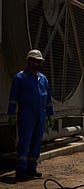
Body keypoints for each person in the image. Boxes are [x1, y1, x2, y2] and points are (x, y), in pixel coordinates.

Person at [7, 49, 55, 181]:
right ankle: (21, 170)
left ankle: (31, 169)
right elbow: (13, 97)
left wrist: (51, 114)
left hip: (40, 114)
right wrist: (11, 113)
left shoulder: (43, 79)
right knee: (25, 142)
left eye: (40, 61)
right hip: (26, 114)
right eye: (37, 61)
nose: (39, 64)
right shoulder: (20, 78)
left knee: (36, 142)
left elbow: (48, 99)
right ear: (29, 62)